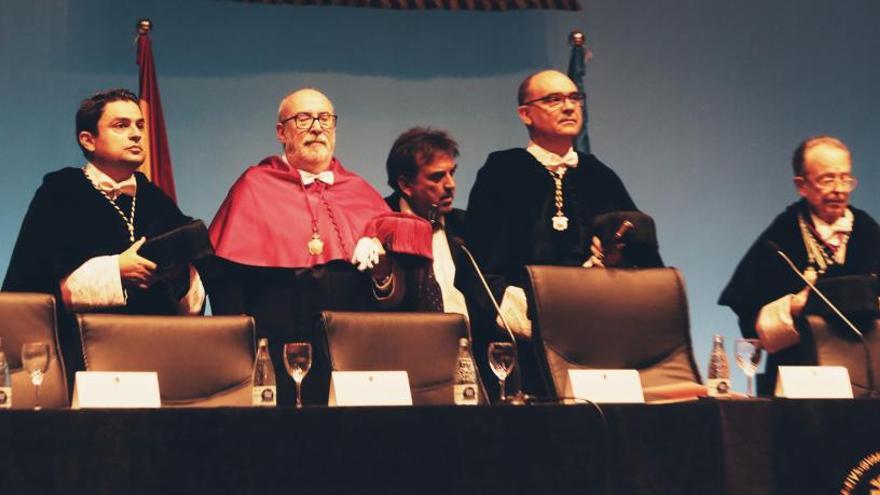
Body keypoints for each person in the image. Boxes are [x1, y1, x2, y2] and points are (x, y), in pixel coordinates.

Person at [205, 88, 413, 405]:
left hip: (351, 356)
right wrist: (240, 366)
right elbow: (227, 289)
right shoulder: (253, 187)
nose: (316, 127)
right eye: (303, 119)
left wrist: (384, 272)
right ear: (281, 132)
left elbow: (390, 297)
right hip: (275, 356)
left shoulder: (360, 192)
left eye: (325, 118)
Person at [465, 70, 662, 396]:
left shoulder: (600, 176)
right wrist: (542, 321)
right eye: (554, 100)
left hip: (595, 339)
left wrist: (615, 264)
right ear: (525, 113)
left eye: (574, 98)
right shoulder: (502, 173)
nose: (569, 107)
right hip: (525, 342)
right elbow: (482, 267)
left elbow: (642, 261)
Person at [3, 88, 205, 386]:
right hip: (80, 361)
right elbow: (32, 284)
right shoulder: (60, 193)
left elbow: (189, 296)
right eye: (121, 125)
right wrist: (116, 271)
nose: (136, 134)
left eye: (139, 125)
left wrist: (180, 277)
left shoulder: (156, 199)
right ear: (88, 139)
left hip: (155, 359)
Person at [719, 135, 880, 391]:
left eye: (845, 179)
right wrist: (795, 305)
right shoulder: (780, 238)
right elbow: (750, 311)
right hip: (799, 375)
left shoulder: (868, 231)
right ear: (801, 185)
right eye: (827, 179)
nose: (839, 188)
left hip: (868, 374)